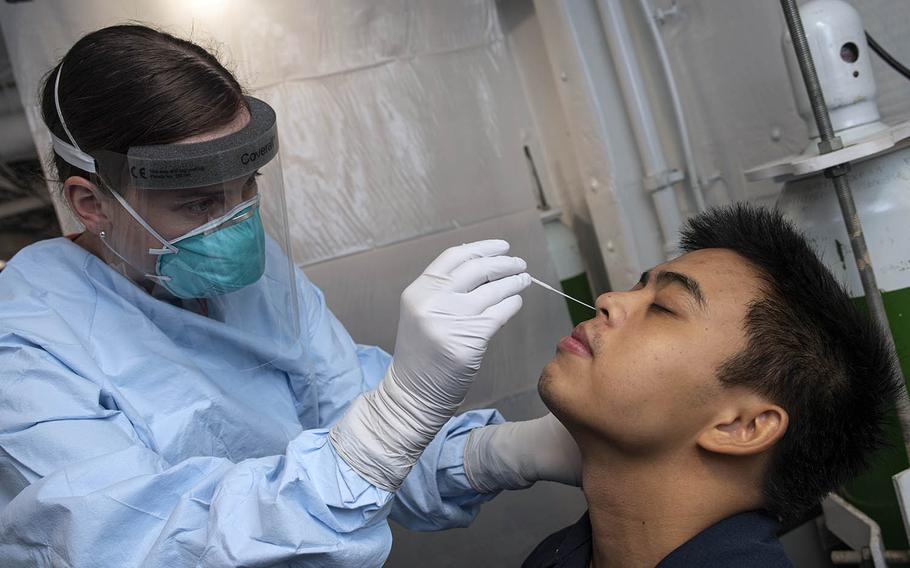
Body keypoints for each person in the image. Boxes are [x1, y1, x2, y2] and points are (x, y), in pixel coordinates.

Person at [0, 25, 579, 566]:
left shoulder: (256, 277)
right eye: (199, 203)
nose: (237, 226)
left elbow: (361, 443)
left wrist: (513, 451)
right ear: (90, 203)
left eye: (247, 188)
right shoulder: (26, 346)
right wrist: (400, 412)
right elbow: (147, 544)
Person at [513, 204, 901, 567]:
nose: (609, 299)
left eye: (664, 306)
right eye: (639, 285)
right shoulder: (555, 556)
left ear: (742, 426)